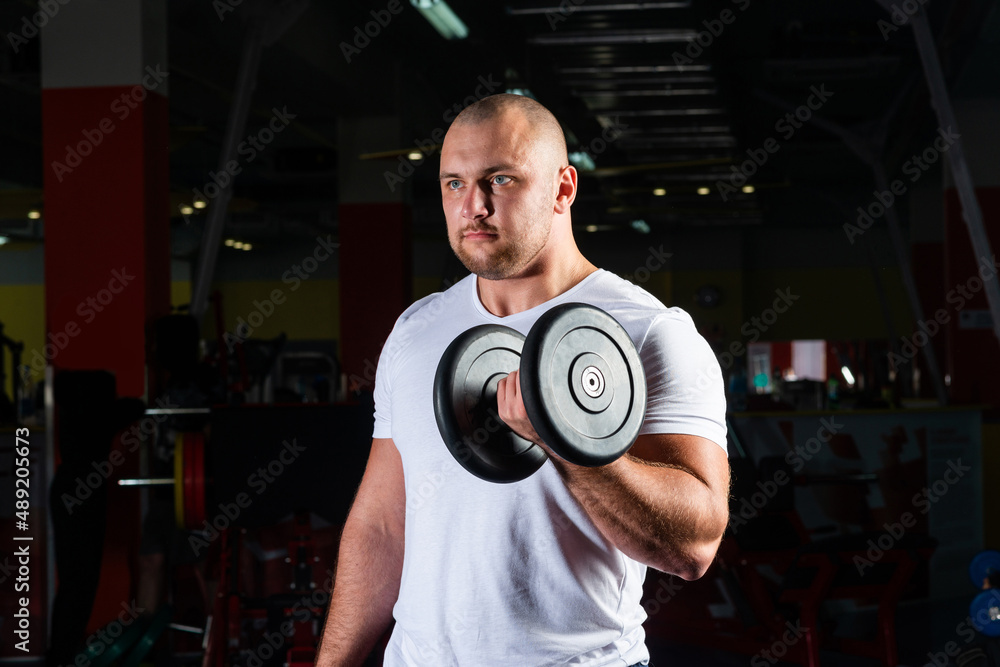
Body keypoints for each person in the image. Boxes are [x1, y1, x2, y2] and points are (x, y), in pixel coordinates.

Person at [316, 93, 730, 666]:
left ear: (563, 188)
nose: (473, 206)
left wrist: (567, 443)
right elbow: (382, 526)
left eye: (500, 180)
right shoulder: (416, 330)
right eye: (454, 183)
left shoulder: (647, 332)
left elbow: (694, 546)